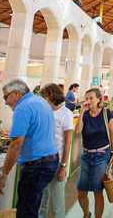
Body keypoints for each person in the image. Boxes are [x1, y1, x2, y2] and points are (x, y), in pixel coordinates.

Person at [0, 79, 58, 218]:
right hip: (50, 161)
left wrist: (4, 173)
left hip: (36, 166)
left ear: (16, 93)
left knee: (25, 211)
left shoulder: (22, 108)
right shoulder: (40, 101)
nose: (6, 102)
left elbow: (16, 144)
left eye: (6, 97)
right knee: (32, 207)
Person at [74, 88, 113, 218]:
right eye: (86, 99)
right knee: (81, 192)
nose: (88, 101)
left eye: (91, 98)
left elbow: (112, 134)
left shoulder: (106, 113)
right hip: (86, 156)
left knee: (98, 192)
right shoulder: (85, 115)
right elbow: (77, 131)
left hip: (102, 156)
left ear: (99, 99)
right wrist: (81, 113)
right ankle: (86, 214)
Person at [37, 84, 74, 218]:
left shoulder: (66, 114)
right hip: (41, 161)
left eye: (44, 98)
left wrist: (63, 166)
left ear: (51, 97)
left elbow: (67, 142)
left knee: (57, 202)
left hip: (57, 162)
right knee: (41, 200)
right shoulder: (43, 111)